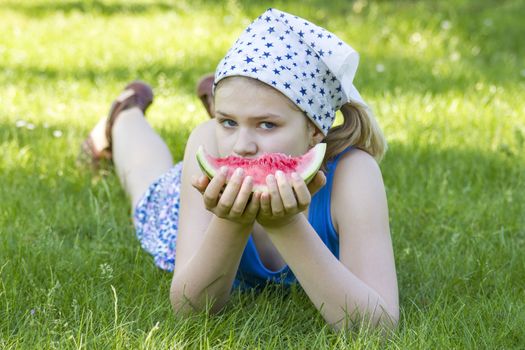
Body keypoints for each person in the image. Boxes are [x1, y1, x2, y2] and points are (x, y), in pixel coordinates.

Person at [80, 8, 398, 331]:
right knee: (146, 183)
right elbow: (190, 311)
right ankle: (123, 116)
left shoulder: (354, 175)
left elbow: (379, 328)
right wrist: (231, 221)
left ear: (315, 129)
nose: (242, 146)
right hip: (193, 201)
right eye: (228, 121)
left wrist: (286, 224)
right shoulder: (208, 143)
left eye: (267, 124)